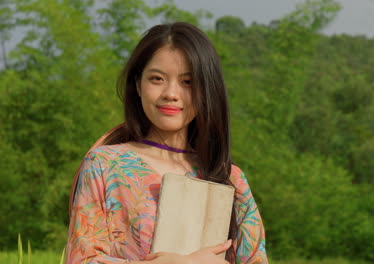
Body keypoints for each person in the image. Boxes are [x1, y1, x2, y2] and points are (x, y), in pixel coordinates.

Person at [66, 22, 268, 264]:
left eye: (187, 82)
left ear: (207, 90)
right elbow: (81, 260)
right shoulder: (104, 165)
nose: (171, 93)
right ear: (138, 84)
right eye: (157, 79)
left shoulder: (230, 178)